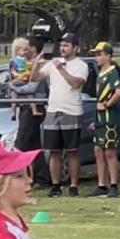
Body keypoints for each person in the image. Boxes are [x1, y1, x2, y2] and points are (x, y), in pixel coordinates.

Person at [30, 32, 87, 197]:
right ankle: (56, 185)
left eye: (66, 45)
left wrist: (60, 68)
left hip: (72, 110)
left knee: (72, 151)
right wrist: (37, 63)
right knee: (54, 151)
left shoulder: (80, 65)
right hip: (53, 110)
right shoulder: (53, 63)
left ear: (75, 48)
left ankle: (74, 185)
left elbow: (75, 83)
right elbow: (34, 79)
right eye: (61, 45)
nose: (63, 48)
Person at [8, 36, 50, 186]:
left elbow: (32, 86)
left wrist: (14, 87)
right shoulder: (21, 65)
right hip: (25, 106)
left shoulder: (36, 66)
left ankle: (13, 175)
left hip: (33, 107)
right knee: (33, 144)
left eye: (28, 48)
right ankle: (42, 177)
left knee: (22, 142)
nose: (26, 51)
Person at [88, 41, 120, 198]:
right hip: (100, 118)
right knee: (98, 150)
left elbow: (119, 92)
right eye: (96, 55)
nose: (97, 57)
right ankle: (101, 184)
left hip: (110, 118)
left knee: (110, 150)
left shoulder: (112, 72)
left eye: (99, 54)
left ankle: (113, 185)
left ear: (108, 56)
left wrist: (107, 104)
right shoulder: (101, 74)